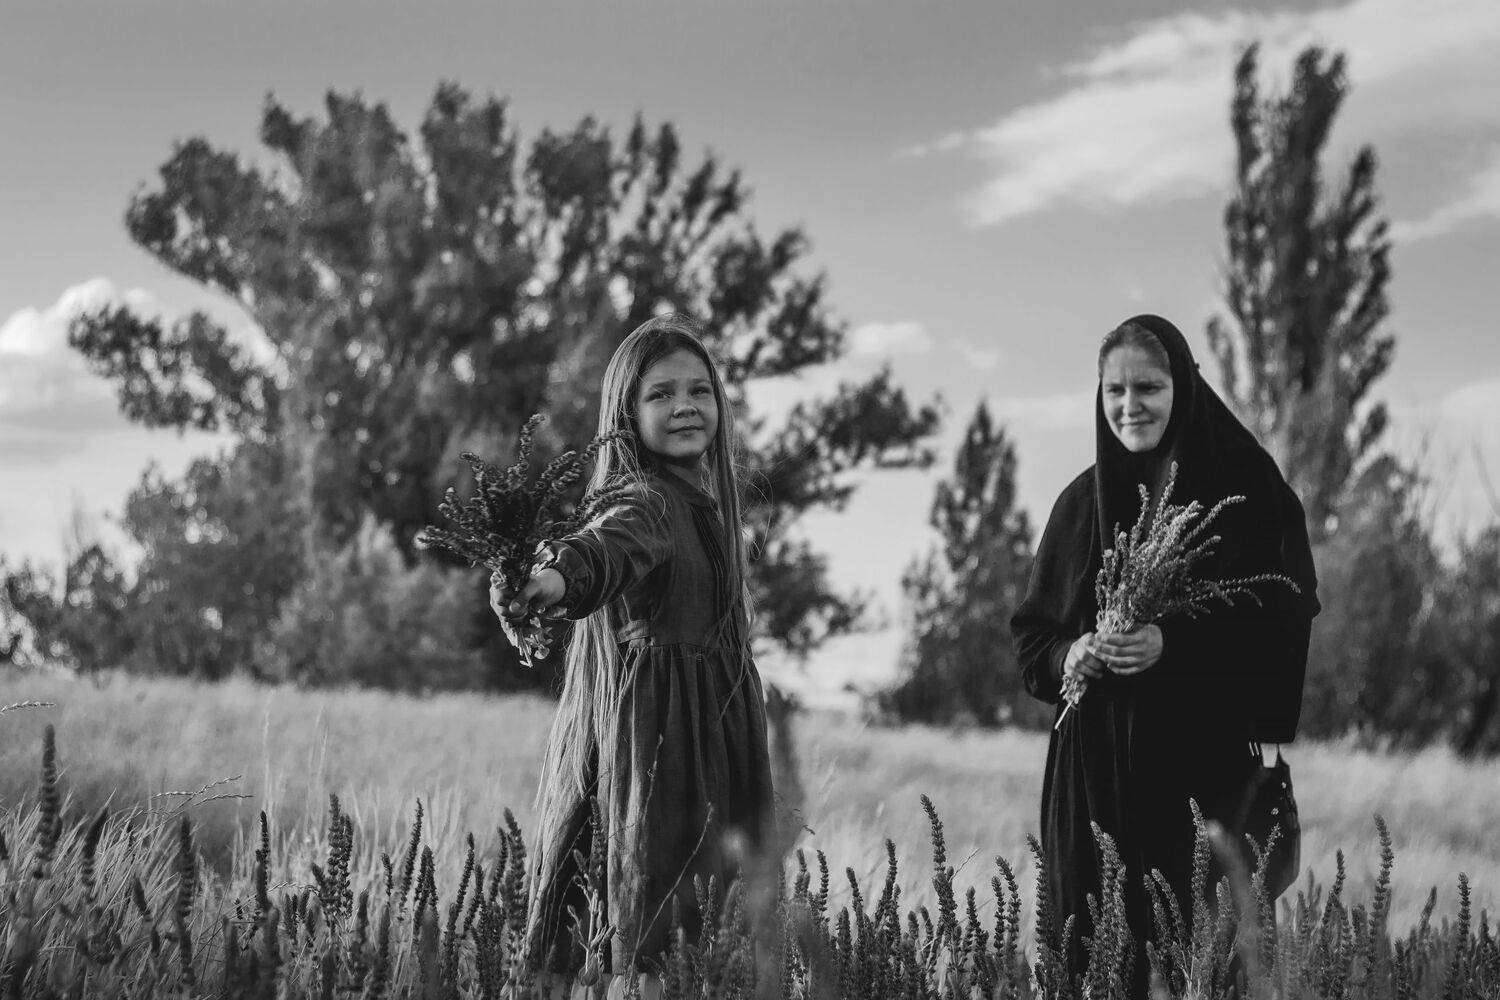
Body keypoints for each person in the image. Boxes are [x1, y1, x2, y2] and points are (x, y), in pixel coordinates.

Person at [1010, 314, 1319, 996]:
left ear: (1184, 387)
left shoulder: (1245, 496)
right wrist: (1071, 654)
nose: (1130, 405)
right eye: (1114, 390)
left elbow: (1281, 628)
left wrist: (1172, 645)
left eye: (1148, 387)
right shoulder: (1079, 506)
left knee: (1202, 970)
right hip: (1090, 792)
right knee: (1090, 971)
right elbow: (1032, 641)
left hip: (1200, 788)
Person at [492, 313, 774, 998]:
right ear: (627, 414)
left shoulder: (711, 510)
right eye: (661, 394)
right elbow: (602, 550)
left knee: (713, 951)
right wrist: (551, 580)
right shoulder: (645, 504)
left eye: (699, 390)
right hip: (666, 761)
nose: (685, 406)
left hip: (717, 754)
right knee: (660, 944)